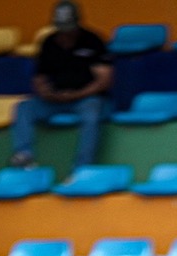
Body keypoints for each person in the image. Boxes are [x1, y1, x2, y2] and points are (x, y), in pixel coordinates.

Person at [9, 2, 113, 171]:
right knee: (24, 108)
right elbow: (39, 77)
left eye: (69, 29)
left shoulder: (93, 41)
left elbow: (104, 80)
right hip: (54, 100)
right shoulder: (48, 42)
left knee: (92, 112)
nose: (65, 33)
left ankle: (83, 166)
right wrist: (46, 92)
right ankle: (24, 156)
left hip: (85, 98)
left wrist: (76, 95)